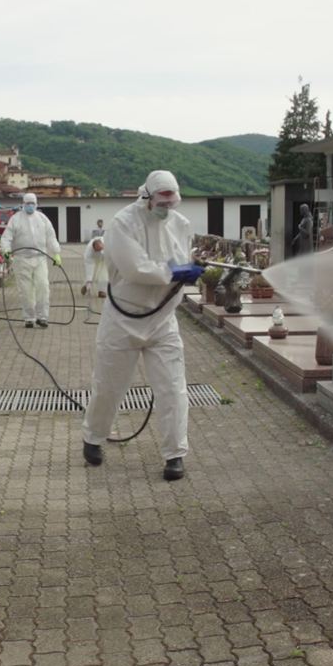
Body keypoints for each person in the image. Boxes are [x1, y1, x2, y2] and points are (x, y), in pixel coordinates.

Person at [81, 170, 203, 481]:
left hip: (163, 320)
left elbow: (181, 259)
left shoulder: (181, 225)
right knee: (108, 385)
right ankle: (94, 438)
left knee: (173, 387)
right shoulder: (124, 222)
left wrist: (186, 271)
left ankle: (175, 454)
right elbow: (135, 269)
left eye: (171, 205)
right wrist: (173, 273)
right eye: (161, 204)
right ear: (146, 197)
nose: (166, 210)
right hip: (123, 318)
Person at [1, 193, 62, 328]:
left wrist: (56, 253)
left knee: (43, 287)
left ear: (36, 204)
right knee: (26, 290)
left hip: (40, 258)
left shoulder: (42, 219)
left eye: (32, 203)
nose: (30, 206)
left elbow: (51, 236)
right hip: (21, 259)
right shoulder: (15, 219)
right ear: (23, 204)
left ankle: (43, 317)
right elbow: (7, 237)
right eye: (27, 203)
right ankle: (29, 318)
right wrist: (5, 249)